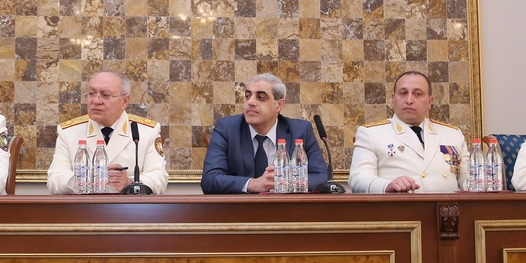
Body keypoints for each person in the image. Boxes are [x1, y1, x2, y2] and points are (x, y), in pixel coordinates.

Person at [200, 73, 328, 194]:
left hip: (286, 209)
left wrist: (283, 180)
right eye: (247, 96)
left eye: (260, 97)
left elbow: (322, 177)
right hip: (240, 209)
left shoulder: (300, 131)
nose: (250, 102)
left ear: (279, 105)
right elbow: (210, 179)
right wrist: (254, 184)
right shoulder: (227, 129)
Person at [47, 70, 168, 194]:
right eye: (91, 93)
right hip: (85, 205)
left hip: (128, 205)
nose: (96, 101)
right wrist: (82, 179)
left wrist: (129, 183)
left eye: (105, 95)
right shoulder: (69, 132)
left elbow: (159, 178)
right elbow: (54, 180)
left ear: (124, 101)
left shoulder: (146, 131)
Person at [349, 71, 469, 193]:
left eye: (417, 94)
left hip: (446, 204)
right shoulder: (371, 133)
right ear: (392, 99)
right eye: (403, 93)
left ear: (429, 101)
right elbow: (358, 178)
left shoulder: (452, 134)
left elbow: (470, 180)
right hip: (398, 204)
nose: (409, 100)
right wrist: (387, 186)